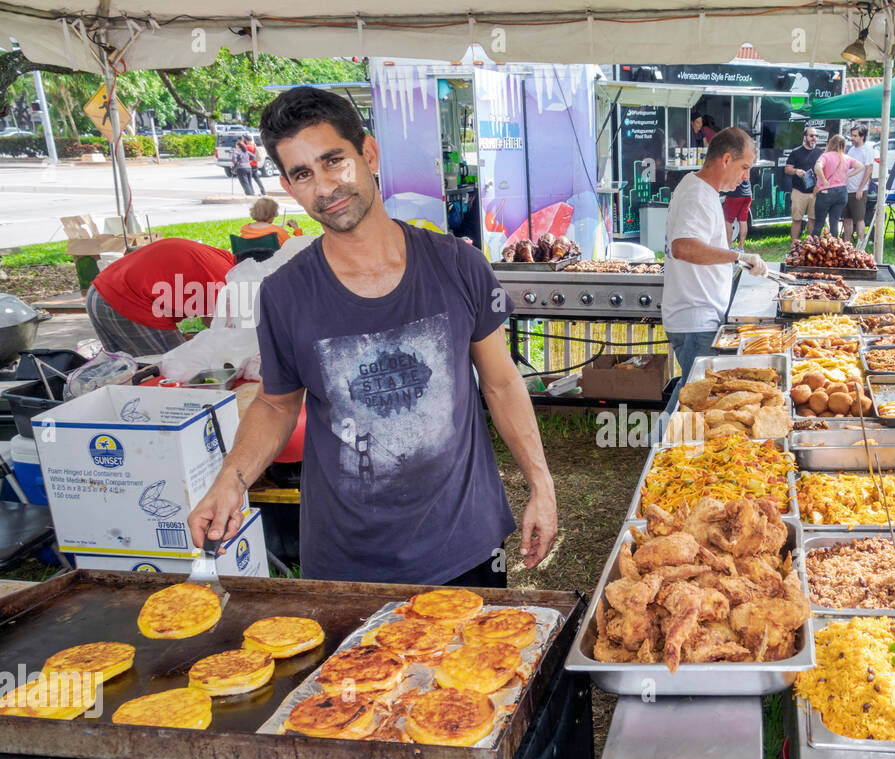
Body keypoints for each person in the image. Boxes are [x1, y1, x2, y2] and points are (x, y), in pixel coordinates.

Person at [187, 86, 557, 587]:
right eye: (302, 174)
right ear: (287, 186)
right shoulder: (283, 294)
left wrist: (540, 482)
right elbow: (276, 405)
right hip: (348, 561)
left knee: (474, 665)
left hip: (464, 545)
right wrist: (231, 481)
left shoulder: (456, 265)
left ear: (369, 153)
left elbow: (500, 382)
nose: (324, 186)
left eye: (333, 160)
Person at [660, 127, 766, 425]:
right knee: (693, 400)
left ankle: (664, 446)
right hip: (695, 317)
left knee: (691, 395)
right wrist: (737, 256)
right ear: (726, 159)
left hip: (699, 314)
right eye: (744, 167)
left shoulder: (701, 189)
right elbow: (683, 246)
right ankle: (660, 450)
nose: (746, 177)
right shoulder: (697, 194)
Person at [85, 237, 235, 356]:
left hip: (99, 291)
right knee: (175, 368)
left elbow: (211, 321)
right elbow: (219, 327)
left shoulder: (223, 257)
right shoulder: (226, 278)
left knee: (125, 373)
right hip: (125, 301)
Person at [813, 134, 866, 239]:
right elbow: (861, 166)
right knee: (834, 222)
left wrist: (823, 179)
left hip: (826, 192)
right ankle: (834, 249)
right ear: (843, 145)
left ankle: (812, 249)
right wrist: (847, 175)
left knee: (819, 222)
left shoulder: (825, 156)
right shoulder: (846, 157)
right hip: (841, 192)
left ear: (831, 143)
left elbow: (817, 167)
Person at [784, 126, 822, 243]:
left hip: (815, 192)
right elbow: (787, 169)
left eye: (816, 136)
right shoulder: (796, 152)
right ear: (805, 137)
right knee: (797, 220)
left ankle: (812, 247)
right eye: (811, 136)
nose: (814, 138)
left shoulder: (820, 153)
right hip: (799, 192)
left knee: (813, 220)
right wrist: (796, 171)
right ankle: (794, 246)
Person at [844, 123, 877, 248]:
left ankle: (860, 244)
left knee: (859, 218)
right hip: (847, 189)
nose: (852, 138)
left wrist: (860, 188)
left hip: (859, 190)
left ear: (862, 137)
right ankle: (847, 243)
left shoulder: (867, 149)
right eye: (851, 135)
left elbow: (869, 170)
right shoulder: (851, 150)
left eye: (854, 136)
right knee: (847, 217)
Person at [722, 164, 753, 251]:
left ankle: (729, 246)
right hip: (748, 194)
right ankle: (741, 247)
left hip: (734, 195)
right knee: (743, 221)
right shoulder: (746, 162)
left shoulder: (736, 163)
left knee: (728, 221)